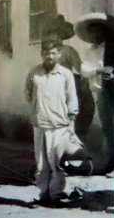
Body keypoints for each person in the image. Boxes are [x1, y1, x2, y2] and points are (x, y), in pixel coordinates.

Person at [25, 38, 79, 207]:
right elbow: (27, 95)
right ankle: (43, 195)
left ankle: (55, 196)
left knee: (57, 163)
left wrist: (72, 122)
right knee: (41, 164)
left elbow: (72, 99)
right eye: (47, 53)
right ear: (42, 54)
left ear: (59, 54)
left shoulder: (66, 74)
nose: (50, 56)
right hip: (40, 125)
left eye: (54, 53)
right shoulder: (34, 73)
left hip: (60, 126)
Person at [76, 12, 114, 174]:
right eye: (92, 33)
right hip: (101, 94)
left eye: (98, 32)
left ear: (104, 32)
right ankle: (112, 163)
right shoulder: (90, 51)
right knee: (108, 129)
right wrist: (98, 70)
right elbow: (84, 70)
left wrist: (113, 75)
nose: (95, 36)